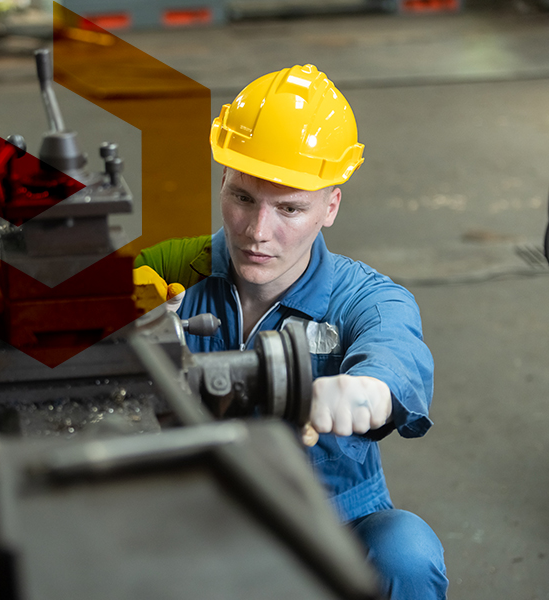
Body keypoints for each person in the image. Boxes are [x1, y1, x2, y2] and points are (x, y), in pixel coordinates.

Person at [135, 65, 449, 599]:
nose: (258, 232)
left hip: (330, 520)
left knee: (406, 551)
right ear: (223, 180)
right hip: (199, 516)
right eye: (243, 198)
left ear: (330, 206)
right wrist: (113, 313)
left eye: (290, 208)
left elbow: (396, 350)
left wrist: (369, 389)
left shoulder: (365, 297)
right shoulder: (172, 269)